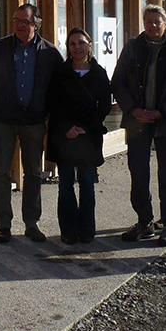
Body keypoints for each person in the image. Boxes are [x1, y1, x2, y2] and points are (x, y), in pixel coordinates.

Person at [112, 4, 166, 247]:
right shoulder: (133, 48)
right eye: (148, 21)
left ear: (165, 23)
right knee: (138, 174)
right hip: (137, 121)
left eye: (157, 22)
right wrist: (133, 109)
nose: (152, 26)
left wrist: (163, 112)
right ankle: (144, 221)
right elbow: (118, 82)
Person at [0, 3, 64, 243]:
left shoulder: (50, 53)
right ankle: (3, 225)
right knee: (1, 172)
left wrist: (48, 114)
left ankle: (32, 223)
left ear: (36, 24)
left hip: (33, 122)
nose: (20, 25)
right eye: (16, 20)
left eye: (26, 21)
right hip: (3, 121)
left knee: (33, 173)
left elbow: (59, 88)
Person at [46, 28, 112, 244]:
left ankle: (87, 230)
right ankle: (68, 231)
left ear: (89, 44)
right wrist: (67, 128)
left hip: (88, 136)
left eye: (81, 42)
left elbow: (104, 106)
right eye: (72, 43)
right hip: (65, 136)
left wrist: (86, 128)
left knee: (86, 184)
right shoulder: (60, 73)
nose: (77, 47)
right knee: (65, 185)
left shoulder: (99, 73)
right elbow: (53, 105)